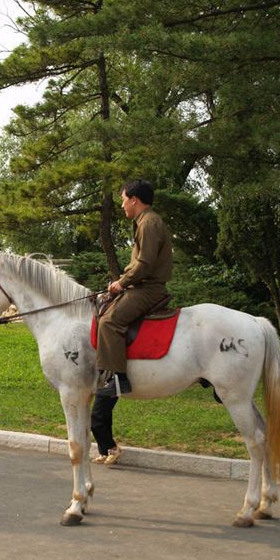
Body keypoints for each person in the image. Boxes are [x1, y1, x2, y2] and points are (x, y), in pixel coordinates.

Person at [96, 179, 173, 398]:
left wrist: (122, 282)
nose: (122, 206)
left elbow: (145, 263)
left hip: (149, 289)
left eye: (123, 200)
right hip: (141, 286)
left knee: (109, 322)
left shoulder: (149, 223)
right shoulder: (145, 221)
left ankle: (119, 380)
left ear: (134, 200)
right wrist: (121, 281)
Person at [91, 395, 121, 465]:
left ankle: (113, 448)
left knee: (95, 421)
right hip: (104, 387)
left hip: (108, 387)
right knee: (104, 418)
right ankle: (105, 453)